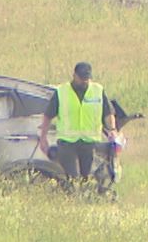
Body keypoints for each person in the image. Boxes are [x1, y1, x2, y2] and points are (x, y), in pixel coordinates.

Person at [37, 61, 115, 189]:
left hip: (89, 142)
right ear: (74, 75)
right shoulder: (61, 92)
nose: (84, 82)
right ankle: (72, 195)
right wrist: (43, 137)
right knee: (72, 177)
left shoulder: (98, 91)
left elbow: (108, 113)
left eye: (87, 79)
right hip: (67, 142)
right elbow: (48, 115)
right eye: (81, 78)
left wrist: (112, 129)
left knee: (86, 177)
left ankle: (82, 199)